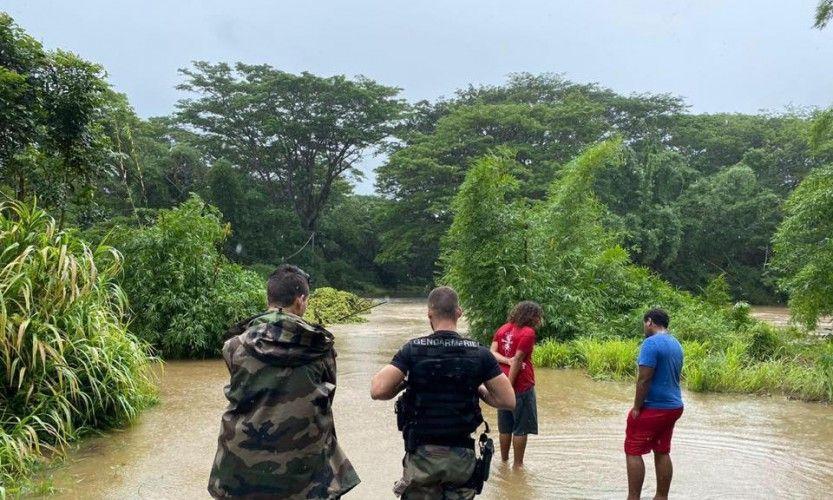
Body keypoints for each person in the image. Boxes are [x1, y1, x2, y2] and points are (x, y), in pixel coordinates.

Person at [208, 264, 360, 499]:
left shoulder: (234, 346)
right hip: (305, 474)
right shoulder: (322, 348)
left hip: (240, 468)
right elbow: (327, 398)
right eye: (306, 300)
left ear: (269, 298)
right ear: (300, 301)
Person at [370, 286, 516, 499]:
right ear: (459, 312)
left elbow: (377, 390)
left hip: (422, 456)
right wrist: (478, 387)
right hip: (462, 457)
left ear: (429, 314)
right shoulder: (480, 353)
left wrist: (405, 383)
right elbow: (508, 400)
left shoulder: (413, 349)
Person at [625, 308, 684, 500]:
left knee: (633, 450)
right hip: (674, 406)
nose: (644, 327)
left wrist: (636, 407)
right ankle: (661, 497)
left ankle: (633, 498)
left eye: (645, 323)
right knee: (662, 450)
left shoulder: (650, 344)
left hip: (654, 407)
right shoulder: (676, 343)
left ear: (649, 321)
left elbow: (644, 379)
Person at [490, 301, 542, 469]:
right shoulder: (528, 333)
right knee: (520, 427)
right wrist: (509, 386)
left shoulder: (502, 329)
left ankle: (504, 462)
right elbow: (518, 360)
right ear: (531, 316)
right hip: (520, 385)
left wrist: (503, 385)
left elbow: (492, 353)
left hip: (500, 382)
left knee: (505, 427)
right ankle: (518, 466)